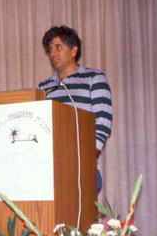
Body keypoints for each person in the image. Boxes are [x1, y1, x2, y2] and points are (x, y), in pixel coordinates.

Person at [38, 25, 112, 193]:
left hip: (81, 166)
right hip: (49, 169)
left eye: (58, 47)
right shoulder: (43, 87)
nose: (53, 53)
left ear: (73, 50)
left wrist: (88, 155)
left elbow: (103, 119)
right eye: (50, 49)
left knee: (79, 218)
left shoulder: (94, 78)